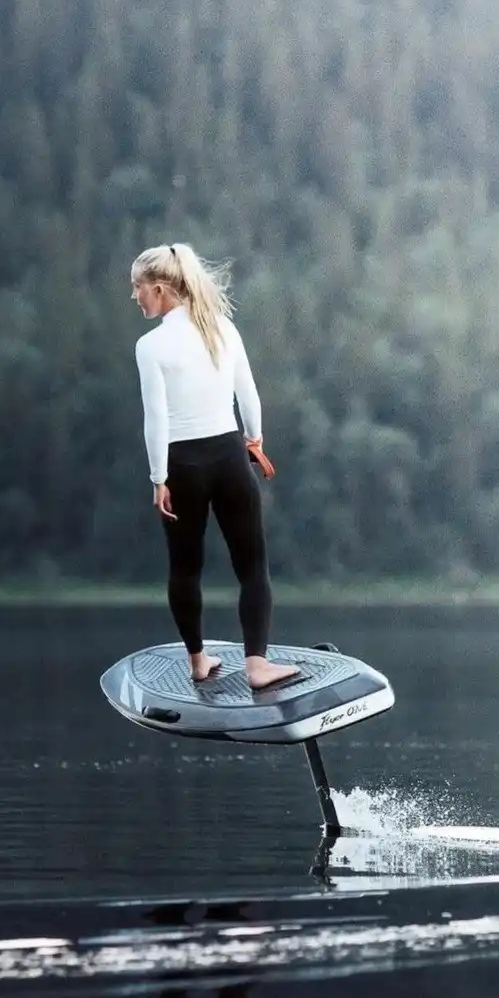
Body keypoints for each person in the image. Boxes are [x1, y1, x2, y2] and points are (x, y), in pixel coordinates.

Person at [132, 243, 299, 690]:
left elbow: (156, 419)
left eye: (138, 287)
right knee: (252, 566)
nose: (135, 296)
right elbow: (249, 396)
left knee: (185, 567)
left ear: (161, 289)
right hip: (229, 457)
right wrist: (255, 442)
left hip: (180, 465)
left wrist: (158, 479)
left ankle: (198, 660)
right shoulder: (223, 328)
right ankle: (258, 666)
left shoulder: (150, 346)